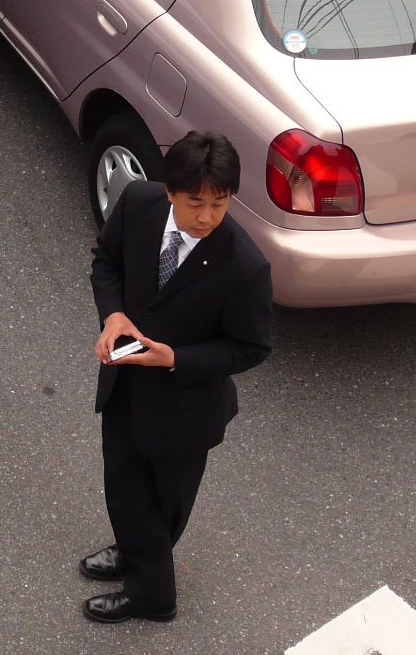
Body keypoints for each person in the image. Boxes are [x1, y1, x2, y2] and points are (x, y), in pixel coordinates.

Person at [80, 131, 273, 623]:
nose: (206, 217)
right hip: (125, 384)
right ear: (169, 191)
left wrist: (175, 359)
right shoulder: (138, 203)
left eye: (219, 203)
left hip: (187, 408)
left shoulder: (246, 267)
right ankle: (140, 564)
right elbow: (106, 262)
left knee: (167, 503)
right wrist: (114, 315)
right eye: (195, 203)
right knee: (123, 485)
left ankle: (151, 592)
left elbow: (250, 347)